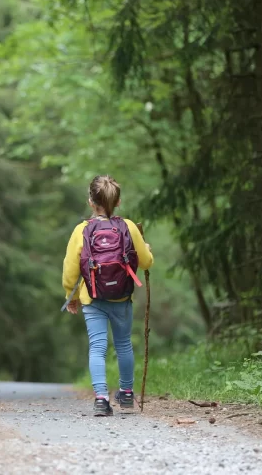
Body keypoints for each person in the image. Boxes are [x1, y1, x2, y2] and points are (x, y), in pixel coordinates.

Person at [62, 175, 153, 416]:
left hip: (93, 298)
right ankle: (125, 394)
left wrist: (70, 297)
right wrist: (148, 251)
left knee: (97, 347)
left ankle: (101, 398)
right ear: (118, 202)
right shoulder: (129, 227)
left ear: (91, 202)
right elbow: (145, 262)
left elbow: (70, 269)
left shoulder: (81, 230)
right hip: (121, 298)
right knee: (123, 345)